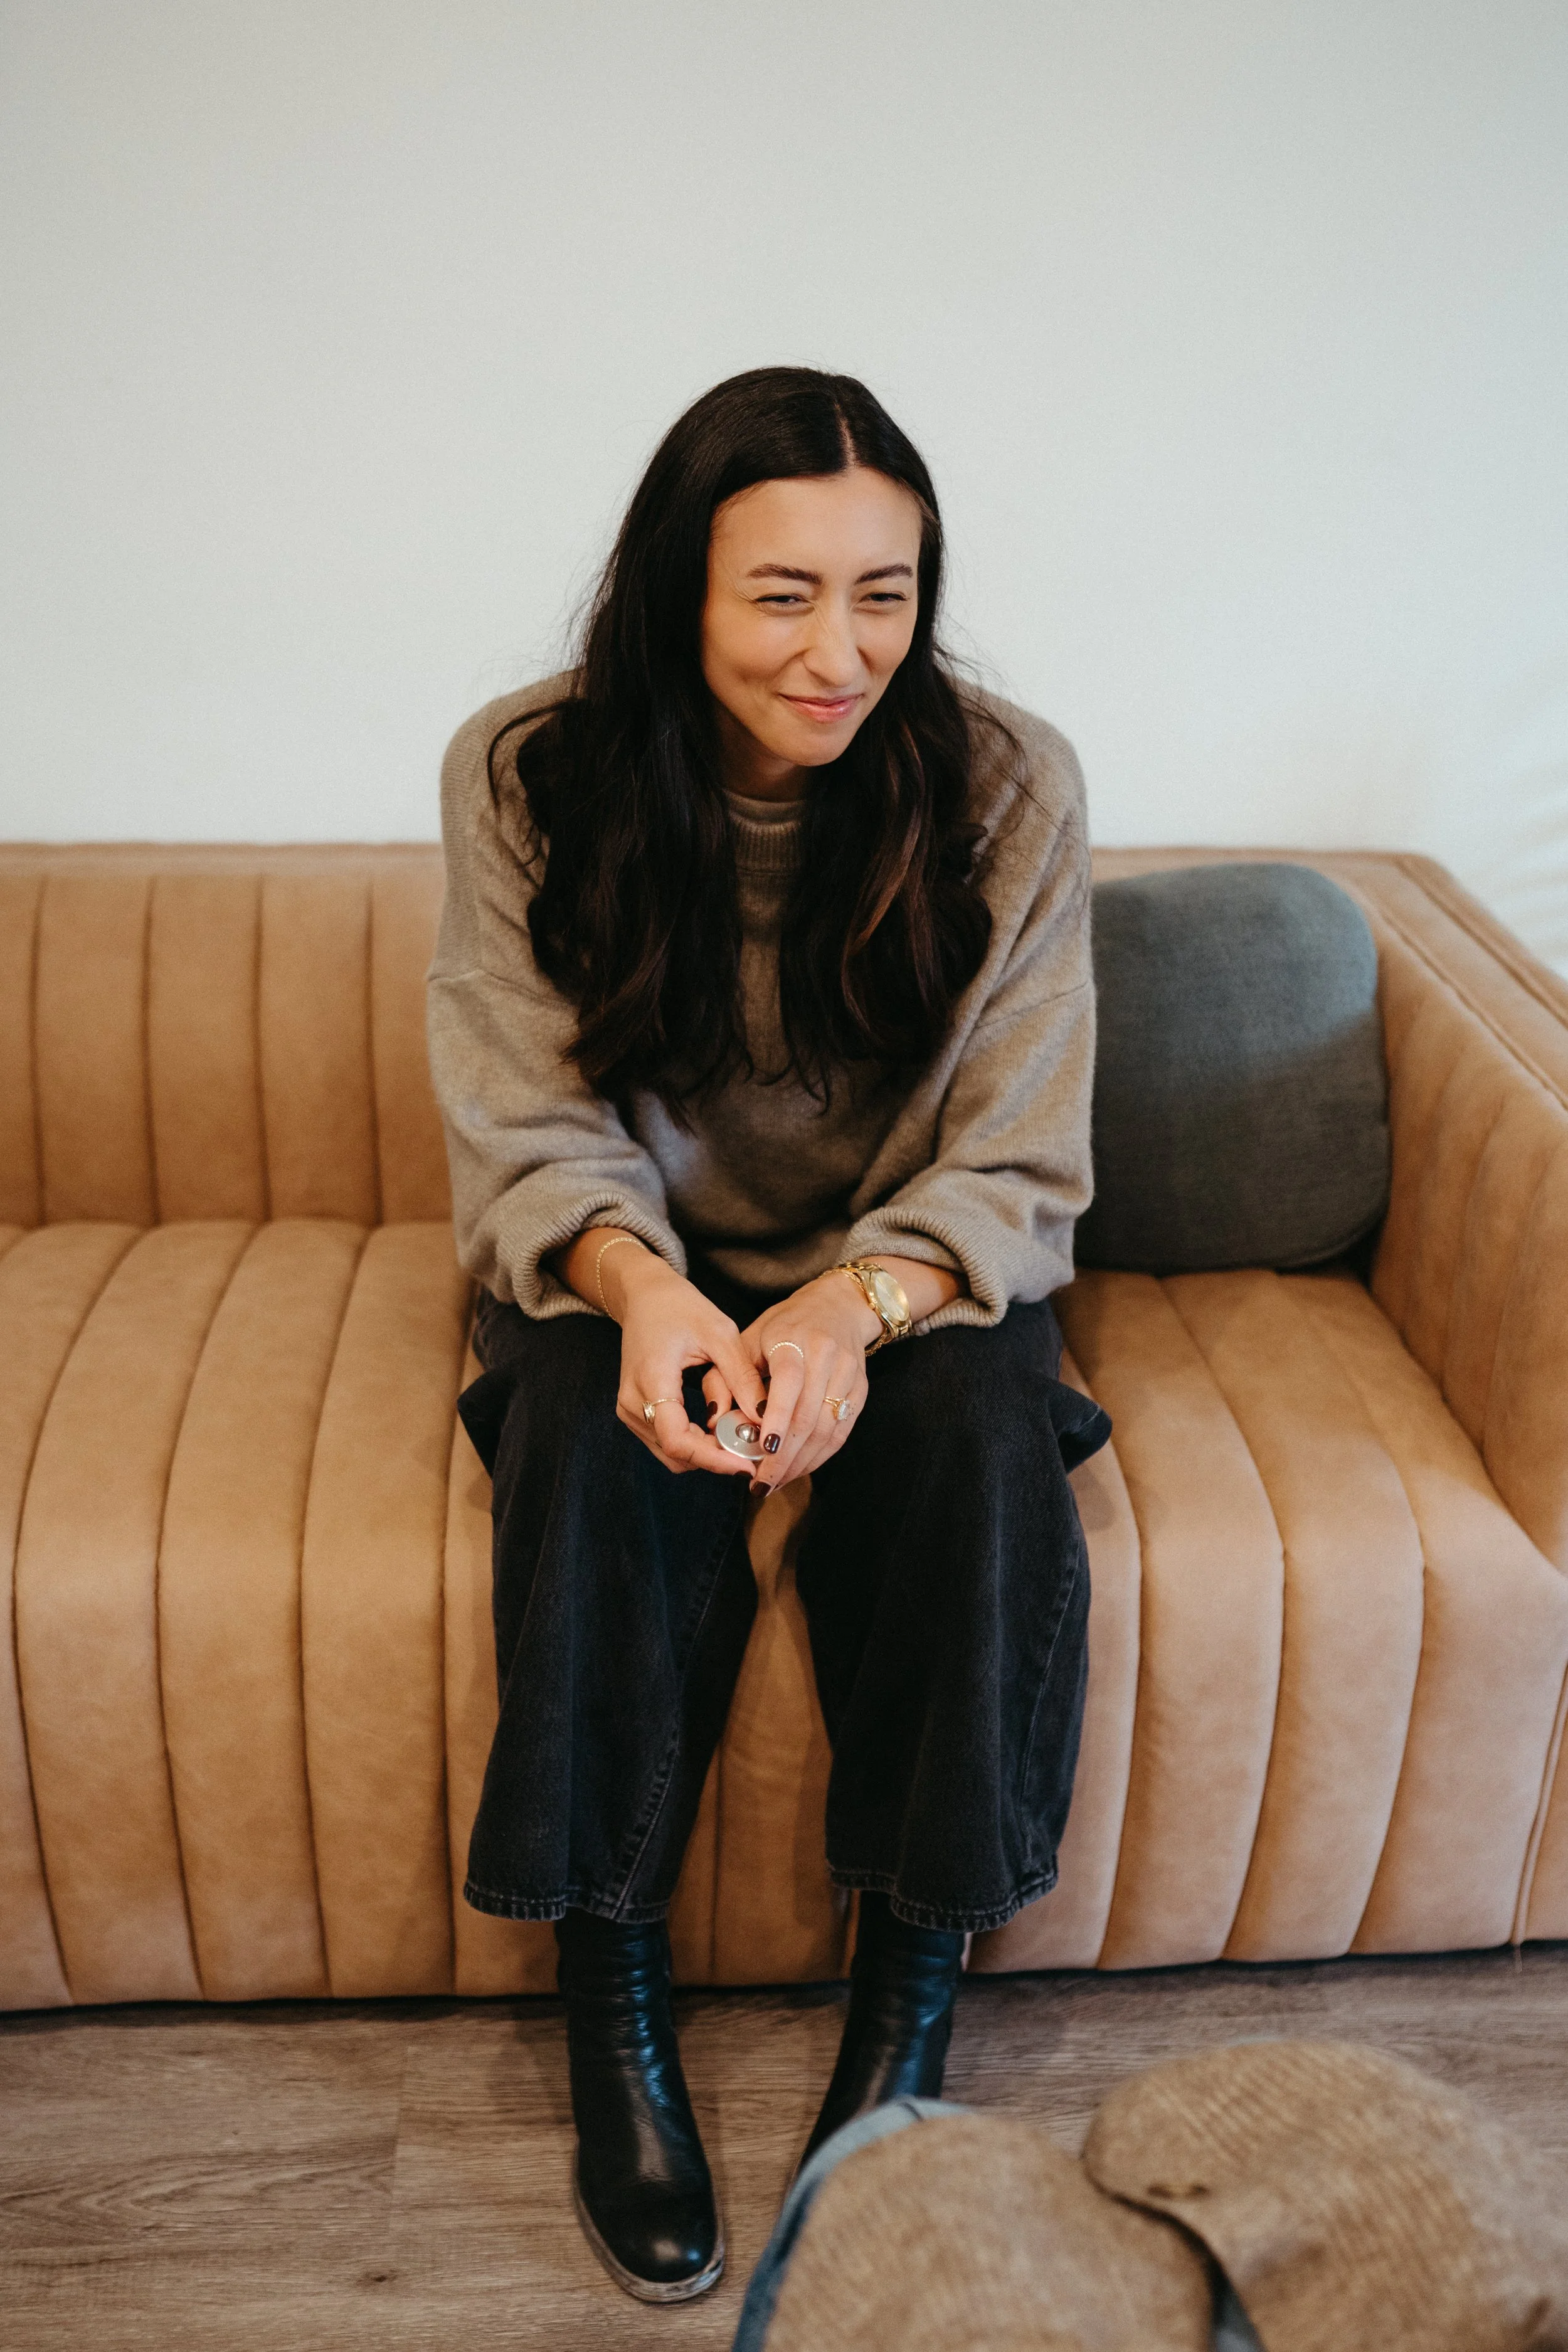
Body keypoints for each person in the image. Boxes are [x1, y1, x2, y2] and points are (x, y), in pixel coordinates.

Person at [428, 366, 1110, 2304]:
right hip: (618, 1252)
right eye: (782, 594)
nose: (841, 649)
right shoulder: (522, 773)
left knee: (988, 1446)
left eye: (882, 592)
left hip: (898, 1269)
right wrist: (645, 1293)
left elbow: (1023, 1150)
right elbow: (521, 1114)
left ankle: (906, 2014)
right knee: (581, 1428)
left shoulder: (1009, 788)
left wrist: (849, 1303)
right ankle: (611, 1988)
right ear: (676, 593)